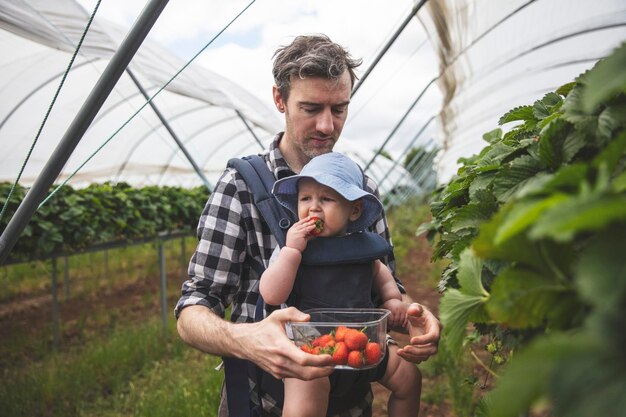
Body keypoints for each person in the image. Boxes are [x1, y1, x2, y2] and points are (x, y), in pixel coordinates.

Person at [175, 34, 441, 417]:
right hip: (260, 402)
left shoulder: (362, 193)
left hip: (352, 401)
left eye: (339, 109)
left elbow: (377, 292)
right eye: (311, 108)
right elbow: (193, 308)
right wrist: (247, 339)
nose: (327, 125)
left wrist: (411, 316)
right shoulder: (242, 187)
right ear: (280, 100)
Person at [260, 151, 421, 417]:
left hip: (364, 344)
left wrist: (392, 300)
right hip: (311, 347)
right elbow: (271, 293)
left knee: (409, 378)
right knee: (304, 406)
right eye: (305, 198)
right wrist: (291, 252)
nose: (313, 207)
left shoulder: (363, 248)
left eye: (326, 198)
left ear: (354, 209)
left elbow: (381, 274)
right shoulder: (293, 249)